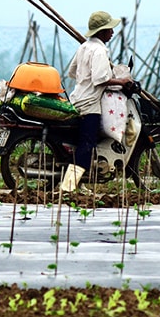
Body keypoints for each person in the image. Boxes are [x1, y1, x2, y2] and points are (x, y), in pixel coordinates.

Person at [61, 11, 132, 192]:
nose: (112, 33)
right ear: (102, 32)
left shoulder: (84, 47)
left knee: (81, 142)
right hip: (90, 103)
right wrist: (121, 81)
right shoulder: (100, 50)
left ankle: (80, 182)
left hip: (77, 98)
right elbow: (100, 79)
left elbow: (72, 72)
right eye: (110, 29)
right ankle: (69, 186)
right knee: (87, 144)